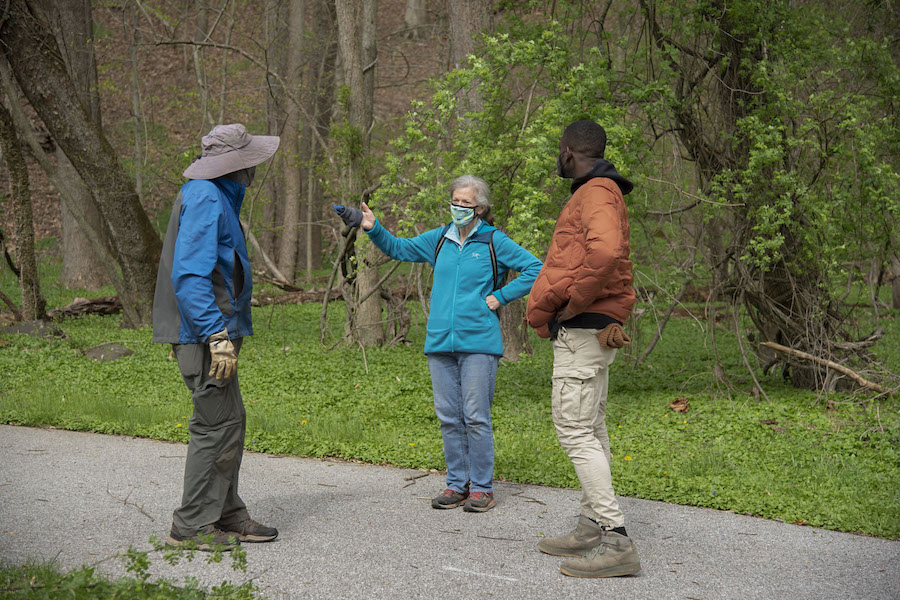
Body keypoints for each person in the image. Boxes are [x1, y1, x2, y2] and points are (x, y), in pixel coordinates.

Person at [356, 176, 542, 513]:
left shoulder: (493, 241)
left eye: (466, 204)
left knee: (475, 416)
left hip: (479, 342)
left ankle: (482, 488)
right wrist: (373, 227)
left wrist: (500, 296)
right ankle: (457, 484)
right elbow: (399, 248)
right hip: (440, 342)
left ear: (481, 208)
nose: (458, 208)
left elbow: (535, 268)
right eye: (455, 201)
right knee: (448, 417)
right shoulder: (438, 239)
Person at [152, 123, 280, 550]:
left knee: (229, 423)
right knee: (215, 425)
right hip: (208, 335)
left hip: (213, 332)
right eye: (249, 162)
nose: (253, 170)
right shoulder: (206, 196)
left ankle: (225, 512)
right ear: (234, 165)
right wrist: (215, 335)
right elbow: (189, 276)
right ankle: (190, 526)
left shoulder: (217, 195)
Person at [525, 120, 641, 578]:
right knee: (591, 425)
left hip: (584, 328)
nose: (559, 157)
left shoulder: (594, 191)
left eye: (559, 151)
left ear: (569, 151)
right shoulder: (598, 191)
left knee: (574, 429)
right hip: (592, 328)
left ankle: (616, 539)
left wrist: (573, 302)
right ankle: (592, 525)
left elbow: (606, 252)